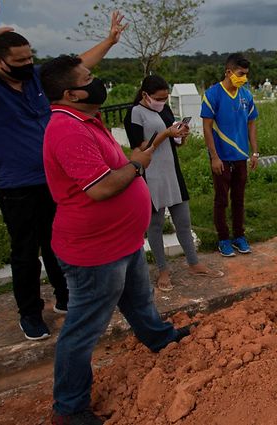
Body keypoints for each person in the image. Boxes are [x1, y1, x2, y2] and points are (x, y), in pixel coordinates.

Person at [40, 55, 190, 425]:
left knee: (139, 300)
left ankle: (159, 338)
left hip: (122, 242)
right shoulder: (68, 130)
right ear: (71, 93)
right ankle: (69, 408)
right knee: (83, 328)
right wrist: (137, 163)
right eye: (88, 77)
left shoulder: (85, 120)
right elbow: (103, 187)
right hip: (95, 251)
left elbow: (108, 169)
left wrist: (133, 161)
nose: (96, 80)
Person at [0, 1, 126, 340]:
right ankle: (30, 312)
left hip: (54, 179)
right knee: (26, 252)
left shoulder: (36, 80)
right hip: (15, 185)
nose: (28, 64)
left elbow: (78, 66)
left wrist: (110, 42)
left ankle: (64, 297)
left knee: (59, 243)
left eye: (30, 58)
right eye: (20, 61)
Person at [125, 75, 223, 291]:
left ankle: (194, 263)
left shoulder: (164, 110)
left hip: (172, 173)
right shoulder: (135, 113)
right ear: (145, 95)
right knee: (156, 226)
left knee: (184, 221)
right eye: (158, 98)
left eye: (165, 98)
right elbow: (140, 147)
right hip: (151, 175)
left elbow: (173, 142)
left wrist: (180, 136)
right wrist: (166, 133)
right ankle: (163, 270)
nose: (162, 102)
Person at [200, 53, 258, 257]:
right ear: (229, 72)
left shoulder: (246, 95)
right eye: (241, 74)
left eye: (246, 75)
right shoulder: (213, 94)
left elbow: (252, 125)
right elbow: (206, 128)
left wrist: (255, 152)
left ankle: (239, 236)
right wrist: (214, 156)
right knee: (221, 200)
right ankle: (223, 238)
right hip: (221, 158)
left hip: (241, 157)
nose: (243, 78)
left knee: (239, 199)